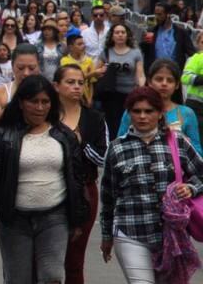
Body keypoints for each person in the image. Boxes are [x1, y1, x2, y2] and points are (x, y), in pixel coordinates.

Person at [0, 75, 88, 284]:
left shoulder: (64, 136)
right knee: (18, 279)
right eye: (34, 101)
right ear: (21, 103)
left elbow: (76, 178)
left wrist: (78, 218)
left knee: (53, 277)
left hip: (55, 217)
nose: (39, 107)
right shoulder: (3, 135)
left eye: (45, 102)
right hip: (14, 219)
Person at [100, 86, 203, 283]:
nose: (142, 116)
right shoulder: (116, 148)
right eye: (136, 111)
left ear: (160, 113)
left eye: (149, 111)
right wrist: (106, 236)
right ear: (129, 113)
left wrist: (191, 188)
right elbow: (108, 197)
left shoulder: (177, 142)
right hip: (130, 233)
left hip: (172, 236)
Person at [53, 65, 108, 284]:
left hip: (84, 191)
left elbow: (103, 158)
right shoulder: (45, 114)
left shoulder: (94, 118)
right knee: (44, 257)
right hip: (48, 188)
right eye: (70, 82)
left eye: (80, 82)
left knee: (74, 260)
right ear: (56, 86)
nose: (76, 87)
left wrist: (81, 143)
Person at [117, 59, 202, 155]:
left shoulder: (186, 113)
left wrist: (184, 144)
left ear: (177, 85)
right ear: (149, 81)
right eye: (159, 79)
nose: (164, 84)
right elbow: (120, 144)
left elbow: (198, 152)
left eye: (170, 80)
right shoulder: (135, 110)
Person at [94, 24, 145, 140]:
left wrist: (141, 87)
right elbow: (96, 72)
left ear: (127, 35)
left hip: (129, 94)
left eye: (123, 32)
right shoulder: (106, 52)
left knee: (129, 123)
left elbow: (140, 74)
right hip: (111, 95)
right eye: (117, 32)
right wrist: (102, 70)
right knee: (113, 125)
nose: (120, 35)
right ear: (112, 36)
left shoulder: (135, 53)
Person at [142, 3, 196, 104]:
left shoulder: (181, 33)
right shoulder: (152, 31)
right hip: (155, 76)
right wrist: (144, 43)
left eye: (160, 14)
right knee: (152, 103)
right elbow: (143, 51)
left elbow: (192, 53)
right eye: (155, 14)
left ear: (168, 15)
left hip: (173, 76)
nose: (157, 17)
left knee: (174, 104)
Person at [0, 43, 41, 133]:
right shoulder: (0, 92)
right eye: (20, 68)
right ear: (12, 66)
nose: (26, 73)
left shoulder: (47, 92)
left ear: (38, 66)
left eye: (31, 68)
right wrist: (7, 110)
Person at [60, 34, 97, 106]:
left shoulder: (89, 61)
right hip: (71, 96)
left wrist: (90, 98)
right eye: (79, 44)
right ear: (71, 47)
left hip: (86, 98)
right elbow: (70, 79)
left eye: (83, 44)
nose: (83, 46)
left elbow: (91, 83)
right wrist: (92, 74)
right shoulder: (65, 61)